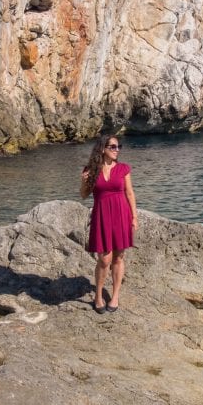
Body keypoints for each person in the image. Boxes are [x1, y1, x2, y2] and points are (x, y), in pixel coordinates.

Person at [80, 134, 138, 313]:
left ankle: (115, 296)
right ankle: (98, 295)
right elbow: (84, 195)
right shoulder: (92, 169)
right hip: (101, 215)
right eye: (112, 147)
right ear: (102, 149)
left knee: (119, 257)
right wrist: (84, 181)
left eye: (118, 146)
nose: (117, 150)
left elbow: (129, 193)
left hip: (121, 215)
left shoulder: (123, 169)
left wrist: (134, 217)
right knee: (104, 259)